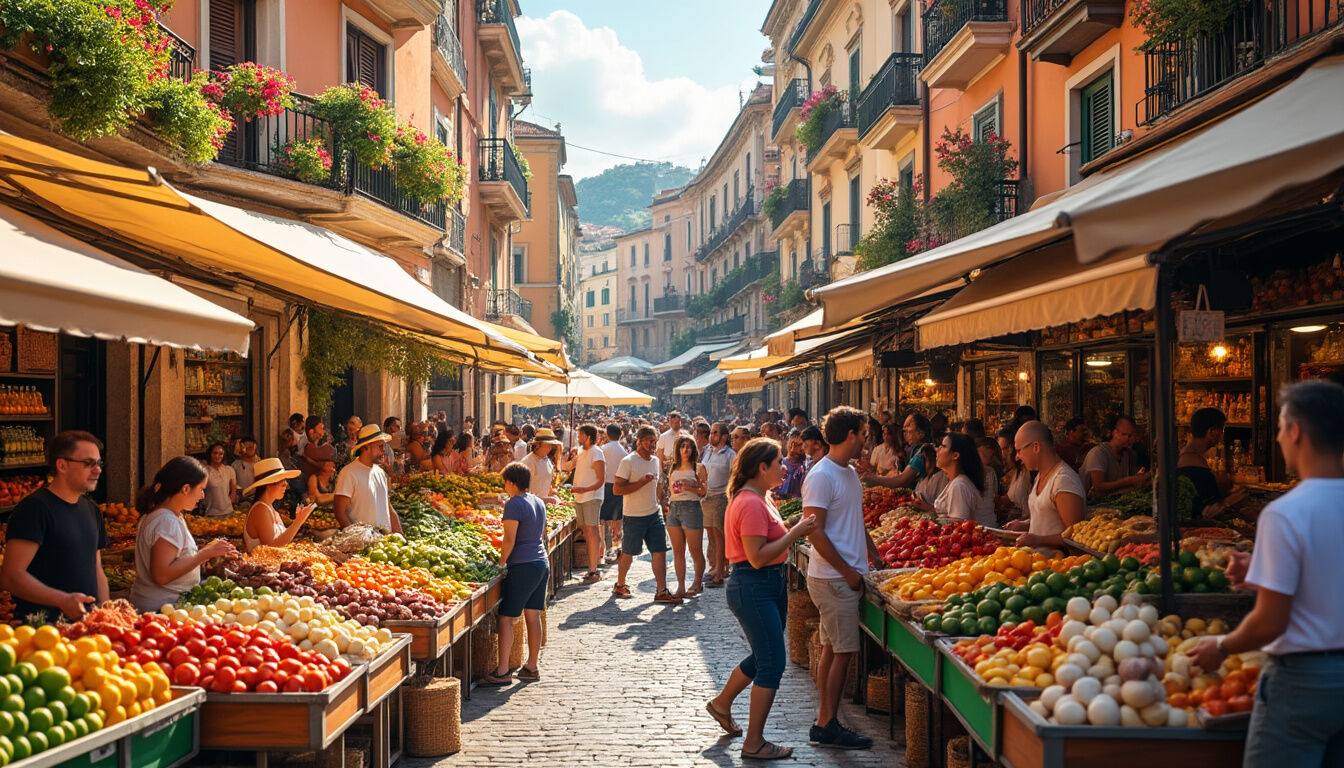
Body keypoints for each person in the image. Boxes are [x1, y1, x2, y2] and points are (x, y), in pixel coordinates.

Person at [1188, 380, 1344, 768]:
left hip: (1303, 683)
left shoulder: (1285, 513)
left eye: (1279, 428)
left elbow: (1271, 622)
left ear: (1296, 432)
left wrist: (1221, 647)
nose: (1277, 438)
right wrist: (1261, 572)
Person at [706, 438, 818, 760]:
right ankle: (754, 742)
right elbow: (755, 557)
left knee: (763, 656)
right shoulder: (750, 502)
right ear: (762, 467)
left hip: (766, 584)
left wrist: (794, 526)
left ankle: (721, 704)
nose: (784, 468)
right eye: (779, 462)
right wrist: (796, 532)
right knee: (772, 663)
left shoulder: (760, 497)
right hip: (754, 584)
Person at [803, 406, 878, 750]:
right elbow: (814, 531)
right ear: (851, 435)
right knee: (844, 652)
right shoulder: (822, 475)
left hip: (843, 575)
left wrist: (873, 553)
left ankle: (825, 720)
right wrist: (848, 572)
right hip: (834, 579)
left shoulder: (848, 473)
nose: (866, 439)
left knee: (834, 648)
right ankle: (827, 722)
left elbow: (854, 521)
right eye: (863, 433)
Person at [1, 431, 109, 622]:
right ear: (62, 465)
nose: (98, 470)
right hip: (43, 630)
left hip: (85, 628)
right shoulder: (34, 509)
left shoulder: (91, 509)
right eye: (88, 463)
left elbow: (96, 568)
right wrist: (63, 600)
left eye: (98, 464)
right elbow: (10, 576)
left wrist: (106, 613)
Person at [130, 456, 236, 612]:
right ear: (185, 489)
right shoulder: (167, 521)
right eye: (201, 489)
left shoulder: (168, 516)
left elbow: (176, 559)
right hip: (161, 608)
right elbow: (161, 575)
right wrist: (204, 554)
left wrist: (207, 553)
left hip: (163, 605)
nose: (202, 496)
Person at [480, 462, 551, 687]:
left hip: (522, 565)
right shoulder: (538, 501)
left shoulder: (513, 504)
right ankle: (531, 666)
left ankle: (502, 671)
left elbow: (509, 540)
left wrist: (500, 564)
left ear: (511, 483)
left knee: (506, 618)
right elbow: (540, 533)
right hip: (541, 562)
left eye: (505, 483)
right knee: (533, 615)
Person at [612, 426, 680, 604]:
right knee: (629, 552)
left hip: (654, 513)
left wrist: (661, 503)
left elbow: (656, 485)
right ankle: (620, 584)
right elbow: (617, 489)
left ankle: (661, 590)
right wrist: (641, 483)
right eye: (650, 440)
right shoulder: (628, 461)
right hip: (633, 516)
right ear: (639, 441)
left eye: (655, 441)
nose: (652, 444)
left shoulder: (655, 461)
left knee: (660, 551)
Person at [1005, 421, 1085, 553]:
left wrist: (1036, 540)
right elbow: (1049, 517)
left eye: (1019, 450)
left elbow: (1077, 536)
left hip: (1058, 568)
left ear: (1036, 447)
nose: (1017, 457)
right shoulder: (1040, 475)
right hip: (1038, 565)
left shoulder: (1064, 481)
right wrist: (1024, 524)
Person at [1177, 407, 1250, 519]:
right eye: (1221, 430)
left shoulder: (1188, 456)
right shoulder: (1195, 469)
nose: (1221, 435)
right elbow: (1203, 513)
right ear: (1211, 431)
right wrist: (1228, 501)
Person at [334, 424, 403, 533]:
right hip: (363, 544)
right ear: (365, 447)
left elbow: (388, 507)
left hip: (383, 543)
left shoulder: (381, 472)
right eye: (380, 446)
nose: (384, 450)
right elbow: (339, 512)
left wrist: (400, 535)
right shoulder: (349, 473)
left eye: (384, 446)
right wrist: (355, 537)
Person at [563, 425, 606, 584]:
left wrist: (584, 489)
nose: (578, 438)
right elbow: (566, 467)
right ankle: (592, 566)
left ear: (588, 436)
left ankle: (593, 569)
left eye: (580, 435)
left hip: (591, 497)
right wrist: (566, 456)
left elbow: (600, 479)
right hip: (579, 497)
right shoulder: (580, 452)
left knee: (592, 531)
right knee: (587, 532)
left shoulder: (597, 453)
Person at [666, 436, 708, 598]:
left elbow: (703, 492)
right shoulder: (673, 467)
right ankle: (681, 586)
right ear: (678, 449)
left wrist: (690, 486)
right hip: (674, 507)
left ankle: (697, 582)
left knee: (695, 550)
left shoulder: (698, 468)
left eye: (689, 446)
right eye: (683, 446)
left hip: (691, 507)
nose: (686, 449)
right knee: (678, 551)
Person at [243, 458, 314, 551]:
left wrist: (298, 520)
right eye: (283, 482)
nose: (286, 485)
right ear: (269, 484)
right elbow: (272, 547)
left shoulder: (269, 508)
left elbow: (283, 541)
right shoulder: (260, 509)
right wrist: (298, 521)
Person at [933, 433, 995, 526]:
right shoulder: (957, 481)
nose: (937, 449)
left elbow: (958, 527)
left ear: (955, 455)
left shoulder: (959, 485)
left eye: (943, 446)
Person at [1081, 414, 1150, 497]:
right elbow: (1098, 487)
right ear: (1115, 433)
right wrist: (1129, 481)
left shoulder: (1129, 455)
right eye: (1125, 435)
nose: (1129, 439)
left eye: (1132, 436)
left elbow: (1135, 483)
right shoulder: (1099, 453)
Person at [701, 422, 736, 588]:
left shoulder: (730, 454)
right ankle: (714, 566)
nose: (711, 436)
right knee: (711, 534)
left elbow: (735, 477)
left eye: (715, 433)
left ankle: (720, 570)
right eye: (711, 433)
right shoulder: (707, 451)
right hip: (706, 497)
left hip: (721, 497)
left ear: (724, 436)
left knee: (719, 535)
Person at [599, 424, 629, 564]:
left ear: (607, 434)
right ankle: (618, 547)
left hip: (605, 485)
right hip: (619, 486)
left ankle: (603, 549)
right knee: (617, 518)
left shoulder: (603, 450)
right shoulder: (624, 452)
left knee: (603, 519)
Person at [522, 428, 563, 503]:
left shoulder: (547, 460)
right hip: (531, 506)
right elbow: (522, 491)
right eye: (547, 445)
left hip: (543, 505)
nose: (549, 448)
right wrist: (545, 499)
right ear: (538, 445)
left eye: (551, 446)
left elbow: (544, 483)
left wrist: (551, 493)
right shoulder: (528, 462)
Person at [201, 442, 237, 517]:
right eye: (215, 453)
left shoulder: (229, 470)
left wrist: (230, 500)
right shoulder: (204, 471)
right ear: (210, 454)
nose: (217, 456)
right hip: (211, 514)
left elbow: (233, 489)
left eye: (221, 454)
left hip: (228, 512)